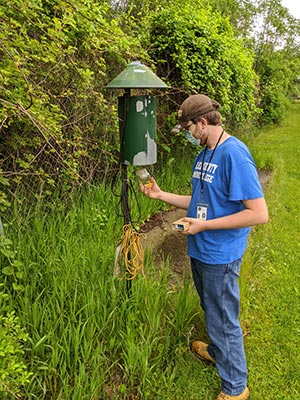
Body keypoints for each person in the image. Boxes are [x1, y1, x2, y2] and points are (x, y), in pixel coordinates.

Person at [139, 94, 268, 400]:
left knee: (223, 318)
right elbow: (199, 201)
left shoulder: (234, 154)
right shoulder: (204, 154)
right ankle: (217, 350)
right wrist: (161, 195)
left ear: (203, 122)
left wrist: (206, 225)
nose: (187, 134)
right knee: (212, 310)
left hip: (220, 255)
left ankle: (236, 388)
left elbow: (258, 213)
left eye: (188, 128)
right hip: (201, 248)